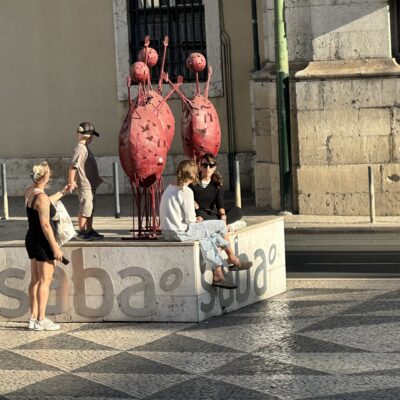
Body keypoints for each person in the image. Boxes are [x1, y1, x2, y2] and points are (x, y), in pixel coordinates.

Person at [160, 160, 252, 289]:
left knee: (208, 237)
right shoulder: (186, 191)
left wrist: (192, 208)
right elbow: (190, 220)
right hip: (181, 232)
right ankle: (232, 257)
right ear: (193, 175)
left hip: (167, 232)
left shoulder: (169, 187)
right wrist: (197, 218)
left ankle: (218, 274)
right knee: (220, 225)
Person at [25, 161, 67, 331]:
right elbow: (46, 224)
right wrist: (55, 247)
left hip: (31, 239)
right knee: (45, 281)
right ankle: (41, 320)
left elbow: (44, 203)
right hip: (43, 242)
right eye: (49, 172)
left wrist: (63, 192)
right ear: (45, 176)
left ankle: (33, 317)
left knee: (35, 280)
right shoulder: (41, 198)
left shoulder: (30, 191)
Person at [189, 153, 245, 231]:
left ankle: (216, 225)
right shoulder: (193, 182)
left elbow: (220, 203)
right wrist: (191, 201)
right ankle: (223, 226)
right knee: (199, 214)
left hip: (211, 214)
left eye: (211, 165)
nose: (208, 168)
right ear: (200, 166)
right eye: (205, 165)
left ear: (215, 167)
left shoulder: (217, 183)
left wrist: (223, 216)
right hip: (198, 213)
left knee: (238, 211)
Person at [67, 122, 103, 241]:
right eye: (92, 135)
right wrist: (71, 182)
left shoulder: (85, 148)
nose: (92, 138)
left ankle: (89, 229)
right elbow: (73, 166)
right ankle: (82, 232)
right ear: (87, 135)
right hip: (84, 186)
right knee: (85, 208)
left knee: (90, 209)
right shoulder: (80, 149)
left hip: (91, 185)